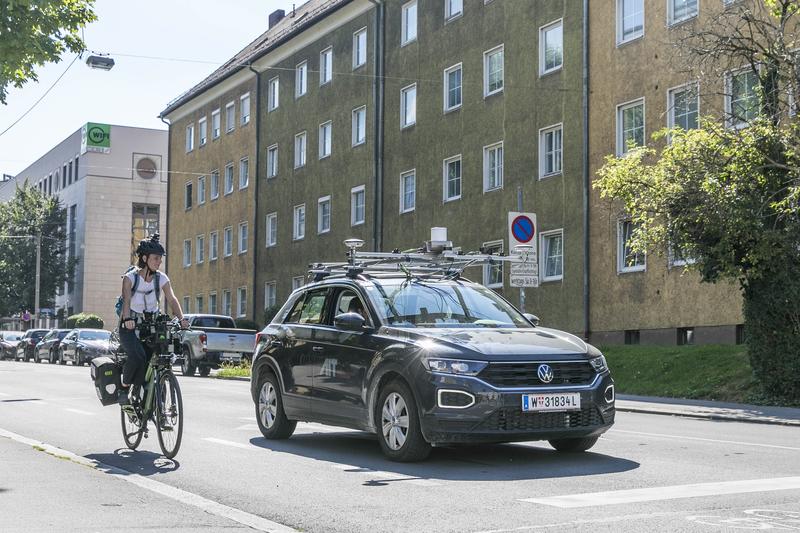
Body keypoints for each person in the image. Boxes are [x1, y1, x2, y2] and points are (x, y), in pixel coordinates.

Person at [118, 234, 188, 407]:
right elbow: (126, 300)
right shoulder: (130, 278)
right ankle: (124, 387)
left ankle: (154, 402)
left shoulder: (161, 278)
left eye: (160, 259)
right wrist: (127, 319)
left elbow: (172, 299)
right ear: (144, 258)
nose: (159, 262)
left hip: (152, 325)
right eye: (156, 258)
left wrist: (182, 318)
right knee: (138, 357)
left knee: (160, 358)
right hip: (130, 325)